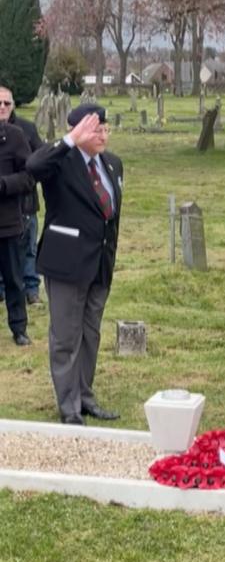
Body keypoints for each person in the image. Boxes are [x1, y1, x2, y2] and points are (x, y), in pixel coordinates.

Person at [27, 104, 122, 425]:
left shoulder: (112, 164)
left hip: (99, 265)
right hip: (66, 264)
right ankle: (68, 406)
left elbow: (109, 216)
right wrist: (68, 140)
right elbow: (33, 166)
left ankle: (84, 395)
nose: (102, 134)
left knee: (90, 334)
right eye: (95, 129)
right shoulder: (60, 161)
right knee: (66, 337)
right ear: (77, 130)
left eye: (104, 128)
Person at [0, 86, 43, 304]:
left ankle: (32, 288)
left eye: (7, 103)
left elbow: (39, 163)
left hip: (24, 203)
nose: (2, 108)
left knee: (27, 249)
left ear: (13, 105)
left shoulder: (26, 129)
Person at [0, 117, 34, 345]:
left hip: (7, 222)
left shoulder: (14, 136)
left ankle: (19, 327)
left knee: (14, 277)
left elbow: (29, 176)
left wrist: (4, 184)